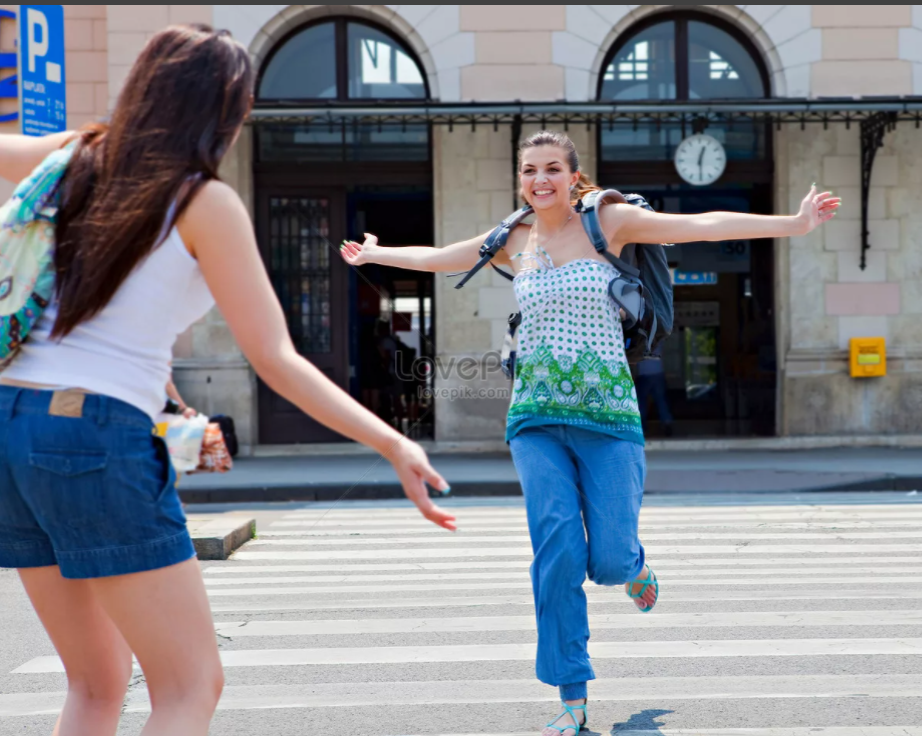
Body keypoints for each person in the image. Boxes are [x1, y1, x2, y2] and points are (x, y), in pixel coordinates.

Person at [0, 24, 453, 736]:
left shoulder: (72, 156)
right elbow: (276, 358)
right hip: (91, 431)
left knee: (95, 683)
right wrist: (392, 443)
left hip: (9, 424)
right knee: (189, 687)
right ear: (225, 112)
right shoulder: (202, 202)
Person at [341, 129, 840, 736]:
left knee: (605, 560)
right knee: (557, 553)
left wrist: (794, 223)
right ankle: (571, 697)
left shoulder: (610, 220)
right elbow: (445, 255)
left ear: (573, 176)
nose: (539, 180)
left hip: (608, 417)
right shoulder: (512, 237)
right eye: (529, 170)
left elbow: (701, 226)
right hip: (534, 418)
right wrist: (376, 255)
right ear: (520, 178)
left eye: (552, 168)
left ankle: (634, 567)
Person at [635, 342, 673, 437]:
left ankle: (641, 426)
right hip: (658, 372)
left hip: (644, 373)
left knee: (642, 401)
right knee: (661, 400)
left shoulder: (639, 340)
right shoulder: (658, 339)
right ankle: (667, 423)